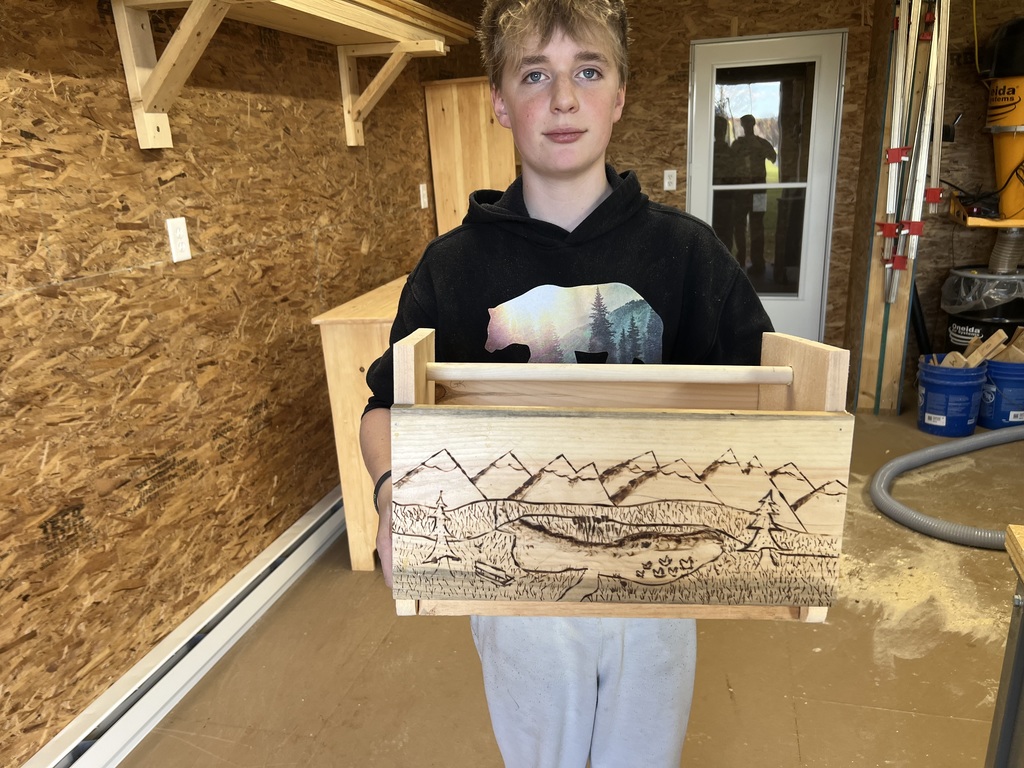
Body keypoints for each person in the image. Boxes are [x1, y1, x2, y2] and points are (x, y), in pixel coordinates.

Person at [359, 1, 773, 765]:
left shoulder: (689, 256)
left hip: (658, 583)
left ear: (617, 97)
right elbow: (386, 408)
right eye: (534, 74)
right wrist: (392, 495)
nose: (562, 99)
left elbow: (771, 403)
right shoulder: (453, 269)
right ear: (498, 101)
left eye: (588, 71)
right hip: (518, 595)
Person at [731, 113, 777, 277]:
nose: (747, 126)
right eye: (746, 124)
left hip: (756, 189)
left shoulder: (753, 143)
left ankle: (754, 262)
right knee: (742, 225)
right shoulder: (741, 144)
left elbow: (772, 157)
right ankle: (744, 260)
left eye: (748, 123)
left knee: (754, 225)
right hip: (744, 190)